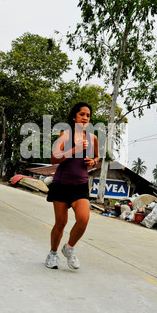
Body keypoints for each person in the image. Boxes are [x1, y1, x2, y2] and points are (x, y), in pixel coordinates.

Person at [45, 102, 100, 270]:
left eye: (88, 115)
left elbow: (97, 158)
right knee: (60, 223)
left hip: (80, 185)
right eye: (81, 114)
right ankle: (53, 254)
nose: (85, 118)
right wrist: (74, 150)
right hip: (62, 184)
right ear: (74, 117)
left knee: (83, 219)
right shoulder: (65, 135)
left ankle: (68, 248)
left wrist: (93, 161)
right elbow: (54, 158)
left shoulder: (93, 139)